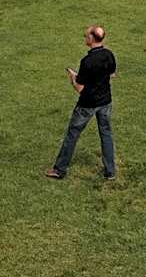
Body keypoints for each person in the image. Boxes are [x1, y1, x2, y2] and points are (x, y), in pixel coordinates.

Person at [46, 25, 117, 180]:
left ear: (91, 39)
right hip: (106, 102)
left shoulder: (87, 61)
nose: (85, 38)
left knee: (72, 135)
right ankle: (110, 172)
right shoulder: (109, 55)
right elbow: (112, 74)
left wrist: (73, 77)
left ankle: (59, 170)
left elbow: (80, 88)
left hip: (87, 104)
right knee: (106, 134)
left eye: (86, 36)